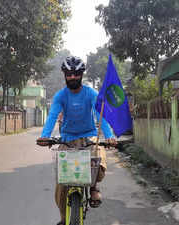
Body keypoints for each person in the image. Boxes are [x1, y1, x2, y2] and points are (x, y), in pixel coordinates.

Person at [36, 56, 117, 225]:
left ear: (81, 74)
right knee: (60, 188)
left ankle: (94, 186)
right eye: (69, 74)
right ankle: (64, 218)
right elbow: (52, 116)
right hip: (67, 139)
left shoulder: (91, 94)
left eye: (76, 74)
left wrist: (109, 136)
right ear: (65, 75)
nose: (72, 77)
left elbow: (100, 115)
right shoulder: (60, 96)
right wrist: (45, 135)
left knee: (98, 158)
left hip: (89, 136)